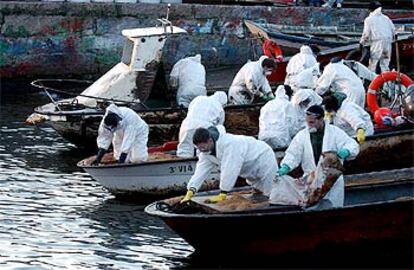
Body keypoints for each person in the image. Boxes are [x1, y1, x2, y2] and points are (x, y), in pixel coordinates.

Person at [273, 105, 359, 208]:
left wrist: (346, 151)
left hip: (331, 181)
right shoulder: (302, 136)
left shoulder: (335, 132)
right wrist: (286, 166)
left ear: (321, 119)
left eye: (312, 123)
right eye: (308, 123)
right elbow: (293, 154)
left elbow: (352, 145)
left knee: (333, 210)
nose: (309, 126)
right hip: (311, 180)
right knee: (312, 210)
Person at [180, 126, 278, 204]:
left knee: (273, 193)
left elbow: (230, 168)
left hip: (263, 158)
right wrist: (191, 190)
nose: (201, 150)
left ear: (210, 141)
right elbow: (200, 171)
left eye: (203, 147)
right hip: (248, 167)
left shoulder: (230, 144)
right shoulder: (205, 152)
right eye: (199, 148)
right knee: (259, 190)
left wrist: (223, 192)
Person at [177, 91, 228, 158]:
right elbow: (217, 128)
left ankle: (181, 166)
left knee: (184, 150)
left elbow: (190, 109)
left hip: (187, 125)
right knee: (202, 153)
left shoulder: (199, 98)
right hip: (204, 127)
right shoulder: (220, 107)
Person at [360, 1, 395, 73]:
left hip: (377, 43)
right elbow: (393, 30)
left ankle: (371, 82)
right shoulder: (386, 18)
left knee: (373, 64)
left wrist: (361, 42)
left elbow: (366, 34)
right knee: (385, 65)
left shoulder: (369, 19)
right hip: (388, 43)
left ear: (370, 10)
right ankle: (386, 83)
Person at [258, 85, 297, 149]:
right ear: (289, 95)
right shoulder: (288, 105)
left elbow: (261, 122)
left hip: (264, 138)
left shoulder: (267, 105)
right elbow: (293, 125)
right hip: (281, 139)